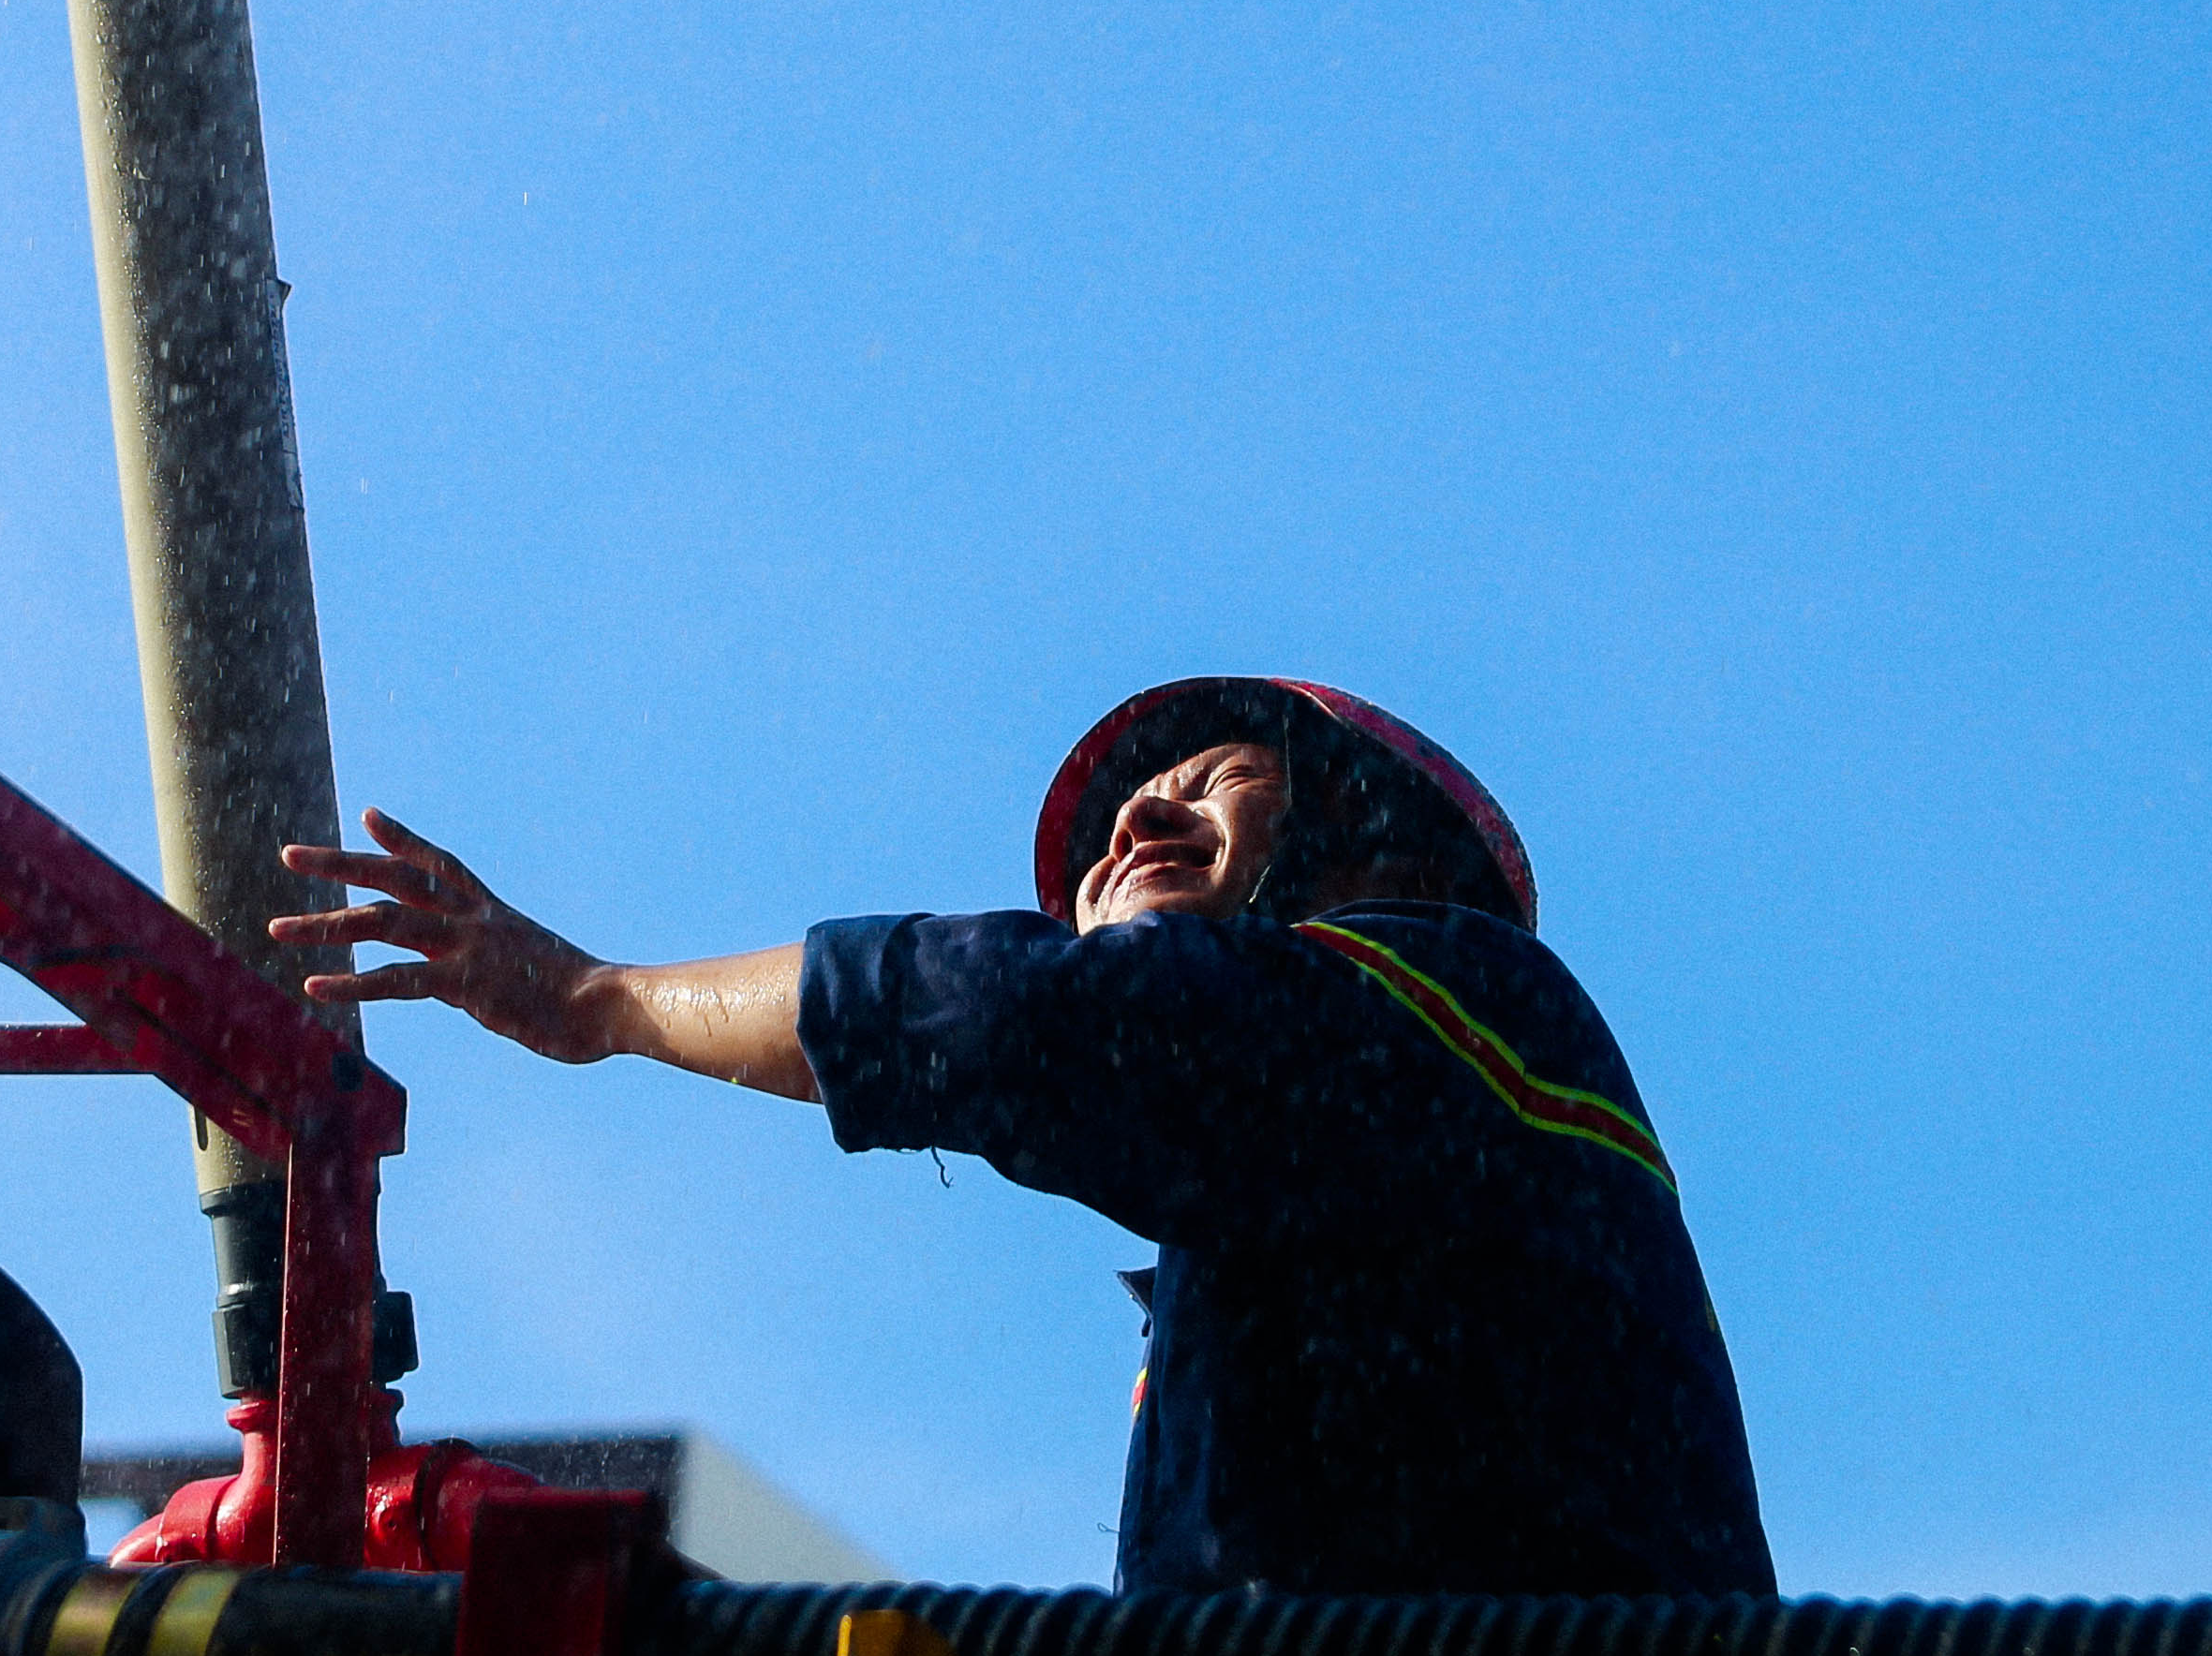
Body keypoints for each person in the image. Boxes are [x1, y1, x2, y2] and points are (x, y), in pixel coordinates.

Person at [268, 675, 1774, 1599]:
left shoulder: (1468, 997)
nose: (1139, 819)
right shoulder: (1292, 1198)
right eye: (1121, 814)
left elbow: (1033, 1023)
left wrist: (597, 999)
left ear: (1359, 825)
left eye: (1204, 776)